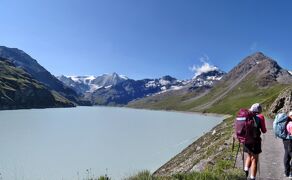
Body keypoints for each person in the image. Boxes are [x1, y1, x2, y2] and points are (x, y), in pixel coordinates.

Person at [243, 103, 267, 180]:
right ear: (259, 110)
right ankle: (252, 177)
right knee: (254, 159)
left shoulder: (246, 116)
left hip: (246, 141)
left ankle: (245, 171)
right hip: (255, 141)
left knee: (249, 156)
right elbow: (264, 131)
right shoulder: (260, 117)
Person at [283, 111, 292, 178]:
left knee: (287, 155)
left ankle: (286, 172)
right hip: (290, 141)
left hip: (285, 140)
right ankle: (291, 173)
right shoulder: (291, 124)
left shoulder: (286, 123)